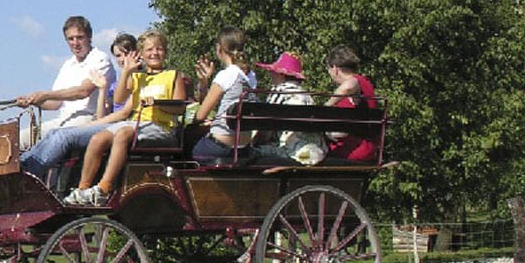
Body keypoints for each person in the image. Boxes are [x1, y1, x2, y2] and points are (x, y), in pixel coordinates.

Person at [60, 29, 186, 206]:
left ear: (165, 51)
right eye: (149, 50)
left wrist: (157, 103)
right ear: (141, 53)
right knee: (98, 138)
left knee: (123, 133)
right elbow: (119, 99)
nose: (154, 53)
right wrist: (127, 71)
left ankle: (104, 188)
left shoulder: (173, 75)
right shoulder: (137, 76)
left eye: (159, 49)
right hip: (137, 124)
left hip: (161, 127)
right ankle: (83, 189)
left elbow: (179, 108)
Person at [19, 33, 137, 178]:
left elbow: (123, 114)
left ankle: (27, 173)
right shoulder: (115, 86)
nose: (123, 59)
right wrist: (103, 90)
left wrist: (91, 125)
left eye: (126, 53)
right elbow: (102, 115)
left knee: (62, 135)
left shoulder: (140, 79)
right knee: (52, 133)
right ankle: (21, 164)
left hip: (123, 128)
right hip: (107, 125)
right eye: (118, 55)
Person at [14, 16, 116, 148]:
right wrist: (33, 101)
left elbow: (83, 91)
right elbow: (56, 103)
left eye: (80, 37)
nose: (75, 43)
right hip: (64, 119)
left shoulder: (100, 59)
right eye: (71, 39)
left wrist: (45, 95)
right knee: (19, 138)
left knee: (55, 138)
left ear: (89, 36)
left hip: (89, 117)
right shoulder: (68, 65)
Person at [190, 27, 257, 167]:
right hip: (243, 148)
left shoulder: (226, 75)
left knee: (188, 145)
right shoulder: (251, 77)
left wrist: (191, 122)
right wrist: (204, 82)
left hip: (221, 147)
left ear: (219, 48)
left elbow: (201, 115)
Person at [251, 52, 327, 165]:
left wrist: (253, 142)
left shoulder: (279, 93)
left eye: (273, 71)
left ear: (281, 74)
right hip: (315, 153)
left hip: (293, 153)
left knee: (248, 152)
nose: (271, 74)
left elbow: (266, 133)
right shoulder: (307, 96)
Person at [322, 45, 380, 163]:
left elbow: (349, 86)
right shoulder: (366, 84)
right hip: (365, 148)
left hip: (353, 150)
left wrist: (326, 107)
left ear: (335, 68)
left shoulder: (357, 82)